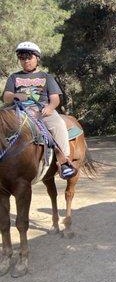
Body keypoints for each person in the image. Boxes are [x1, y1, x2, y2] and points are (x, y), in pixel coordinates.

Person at [2, 41, 77, 179]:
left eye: (29, 57)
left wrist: (50, 107)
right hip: (17, 110)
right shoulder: (14, 77)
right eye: (22, 58)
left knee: (58, 124)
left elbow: (55, 99)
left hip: (41, 110)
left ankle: (64, 162)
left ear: (37, 58)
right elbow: (6, 97)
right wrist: (15, 95)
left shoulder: (46, 77)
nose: (25, 61)